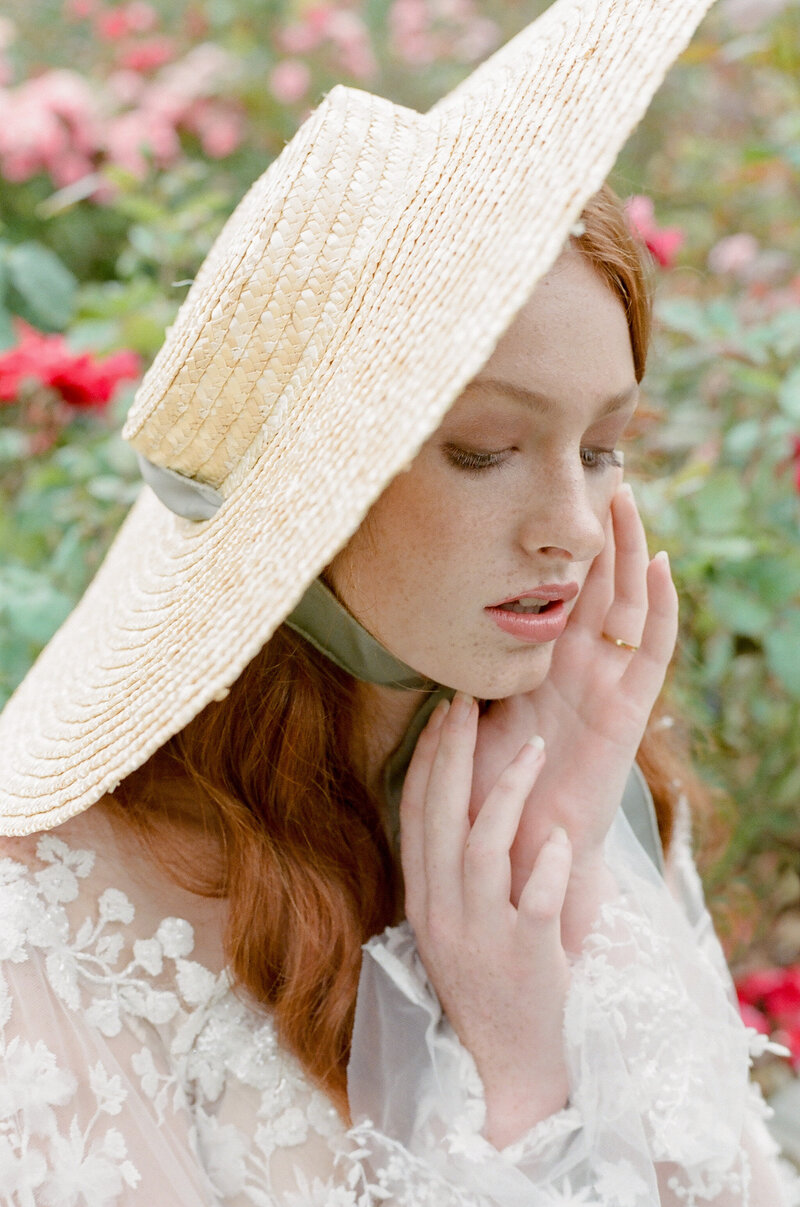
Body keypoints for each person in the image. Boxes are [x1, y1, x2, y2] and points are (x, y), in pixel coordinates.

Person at [0, 0, 798, 1203]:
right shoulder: (57, 921)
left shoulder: (568, 777)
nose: (575, 531)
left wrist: (562, 877)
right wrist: (516, 1082)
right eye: (483, 449)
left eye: (601, 446)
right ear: (311, 500)